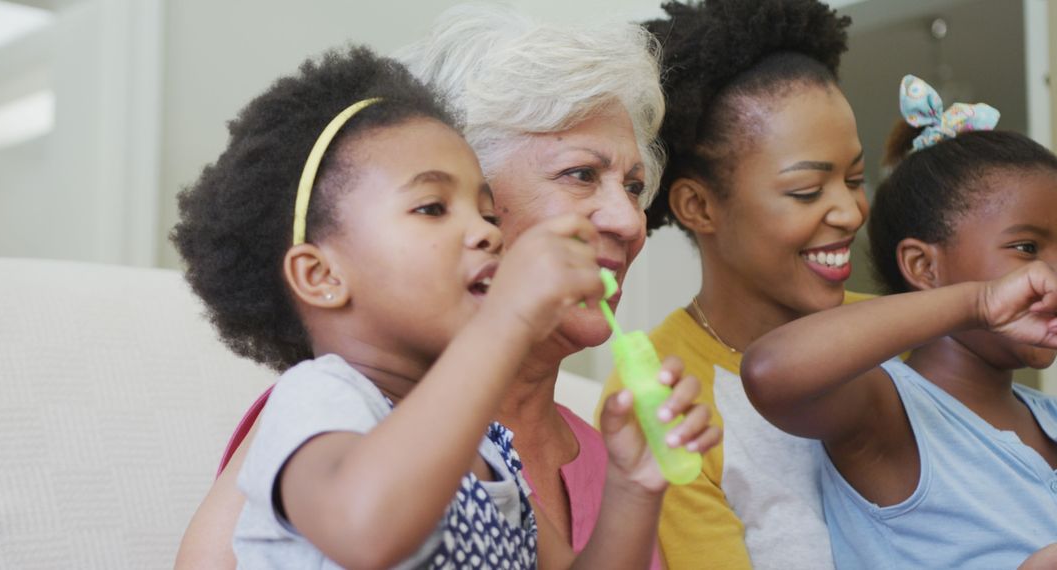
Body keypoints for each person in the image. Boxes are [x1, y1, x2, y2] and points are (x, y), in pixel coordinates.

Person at [171, 46, 718, 568]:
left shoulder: (487, 448)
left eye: (485, 211)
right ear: (321, 276)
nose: (484, 233)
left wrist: (632, 486)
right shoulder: (320, 403)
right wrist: (508, 316)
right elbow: (367, 529)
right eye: (433, 208)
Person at [741, 75, 1057, 569]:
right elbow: (769, 370)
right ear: (924, 268)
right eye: (1027, 248)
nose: (1050, 272)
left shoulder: (1049, 418)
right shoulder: (890, 411)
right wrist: (978, 302)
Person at [595, 1, 867, 567]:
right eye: (807, 192)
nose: (849, 211)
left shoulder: (900, 340)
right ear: (697, 206)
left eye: (856, 179)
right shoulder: (660, 395)